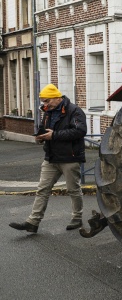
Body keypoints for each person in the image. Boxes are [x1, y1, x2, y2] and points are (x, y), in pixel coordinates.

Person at [9, 84, 87, 233]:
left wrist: (54, 135)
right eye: (43, 102)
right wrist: (41, 137)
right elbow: (48, 130)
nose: (45, 104)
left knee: (73, 189)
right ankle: (33, 221)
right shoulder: (48, 112)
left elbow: (80, 131)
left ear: (57, 98)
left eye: (47, 101)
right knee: (42, 189)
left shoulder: (74, 111)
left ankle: (77, 218)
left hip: (69, 158)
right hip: (51, 157)